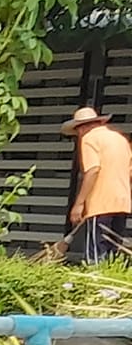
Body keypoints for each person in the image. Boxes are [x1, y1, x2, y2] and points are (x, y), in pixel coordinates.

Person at [63, 105, 131, 264]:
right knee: (113, 250)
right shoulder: (120, 139)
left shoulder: (89, 139)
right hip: (122, 202)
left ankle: (94, 278)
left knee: (96, 254)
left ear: (81, 128)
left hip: (100, 203)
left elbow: (93, 170)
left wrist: (79, 204)